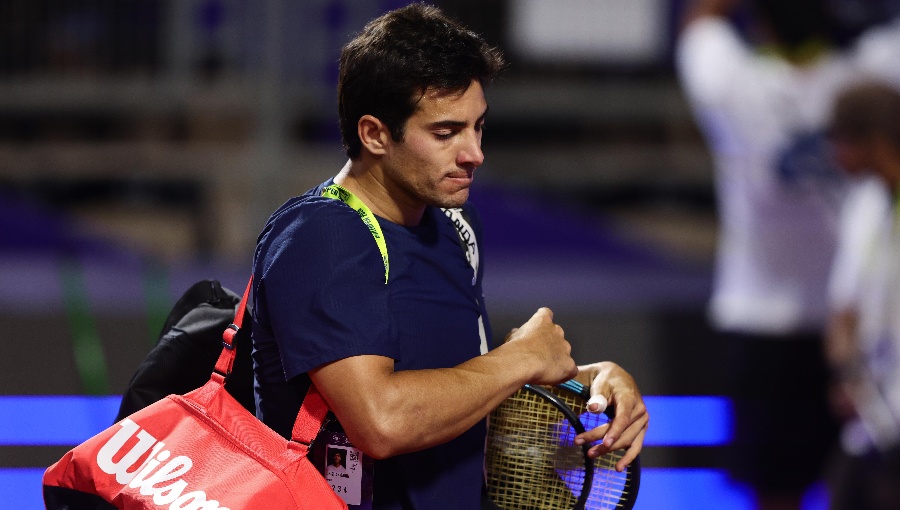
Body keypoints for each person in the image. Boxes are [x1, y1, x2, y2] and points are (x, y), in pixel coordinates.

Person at [249, 4, 649, 509]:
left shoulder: (457, 225)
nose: (474, 153)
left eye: (478, 126)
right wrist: (521, 358)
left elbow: (458, 388)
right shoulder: (320, 236)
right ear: (374, 134)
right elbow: (383, 421)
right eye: (445, 133)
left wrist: (591, 384)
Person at [676, 1, 900, 508]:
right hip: (856, 333)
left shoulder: (732, 82)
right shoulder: (869, 74)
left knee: (792, 491)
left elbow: (700, 21)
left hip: (777, 320)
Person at [825, 81, 900, 510]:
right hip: (875, 424)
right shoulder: (865, 205)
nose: (835, 157)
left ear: (874, 141)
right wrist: (846, 375)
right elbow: (844, 312)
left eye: (841, 141)